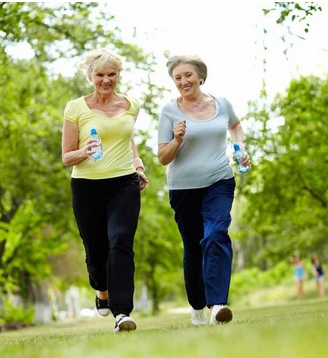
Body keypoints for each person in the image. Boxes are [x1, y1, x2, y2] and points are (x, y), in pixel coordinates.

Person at [157, 54, 251, 325]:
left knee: (216, 234)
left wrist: (240, 147)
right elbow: (163, 157)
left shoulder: (222, 104)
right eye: (178, 78)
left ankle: (218, 305)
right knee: (193, 248)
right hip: (183, 187)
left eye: (188, 75)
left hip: (219, 180)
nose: (183, 81)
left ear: (200, 76)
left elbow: (235, 126)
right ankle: (197, 305)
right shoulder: (169, 111)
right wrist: (177, 139)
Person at [61, 48, 148, 333]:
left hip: (124, 182)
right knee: (96, 252)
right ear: (90, 76)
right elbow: (66, 157)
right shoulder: (76, 108)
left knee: (121, 240)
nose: (106, 80)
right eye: (100, 74)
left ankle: (122, 312)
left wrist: (138, 165)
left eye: (112, 74)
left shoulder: (131, 105)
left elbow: (126, 138)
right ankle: (101, 290)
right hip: (86, 187)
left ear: (119, 75)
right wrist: (84, 151)